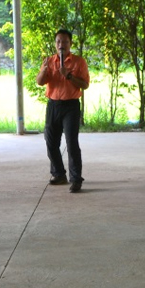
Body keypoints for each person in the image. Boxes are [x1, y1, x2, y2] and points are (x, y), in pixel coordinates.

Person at [36, 28, 90, 192]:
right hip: (53, 105)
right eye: (58, 41)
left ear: (70, 43)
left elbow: (85, 85)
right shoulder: (49, 61)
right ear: (55, 44)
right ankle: (59, 174)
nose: (61, 45)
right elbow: (39, 82)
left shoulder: (79, 62)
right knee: (51, 142)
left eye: (65, 42)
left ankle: (76, 179)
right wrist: (44, 71)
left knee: (71, 143)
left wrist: (69, 75)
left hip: (71, 106)